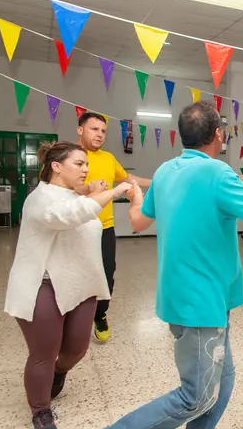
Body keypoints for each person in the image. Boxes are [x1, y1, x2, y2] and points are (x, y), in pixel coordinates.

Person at [115, 101, 243, 428]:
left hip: (184, 297)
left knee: (222, 383)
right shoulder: (218, 172)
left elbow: (138, 222)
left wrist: (136, 197)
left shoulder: (166, 170)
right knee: (195, 396)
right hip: (201, 302)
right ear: (218, 135)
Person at [5, 142, 131, 429]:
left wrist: (89, 191)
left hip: (80, 282)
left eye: (86, 164)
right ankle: (40, 411)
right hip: (43, 284)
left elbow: (73, 201)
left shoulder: (73, 194)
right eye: (79, 164)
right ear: (56, 167)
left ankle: (59, 372)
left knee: (76, 349)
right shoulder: (38, 199)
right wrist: (111, 193)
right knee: (44, 354)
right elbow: (64, 215)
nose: (86, 169)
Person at [74, 111, 151, 343]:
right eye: (93, 129)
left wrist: (159, 180)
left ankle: (100, 315)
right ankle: (73, 320)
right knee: (75, 275)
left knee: (107, 274)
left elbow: (127, 178)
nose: (99, 135)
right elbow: (58, 187)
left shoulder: (108, 158)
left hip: (104, 228)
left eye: (103, 131)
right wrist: (87, 188)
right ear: (80, 130)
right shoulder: (70, 155)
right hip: (75, 227)